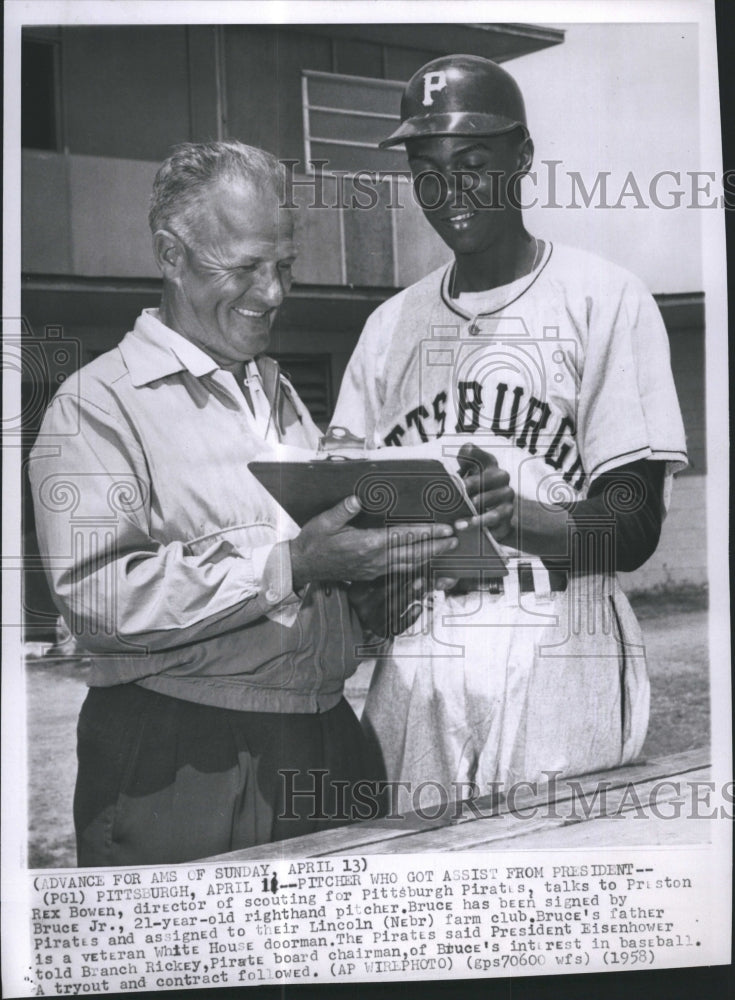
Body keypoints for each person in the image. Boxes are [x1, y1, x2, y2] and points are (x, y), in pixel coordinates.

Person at [28, 140, 457, 865]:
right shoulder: (97, 405)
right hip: (183, 756)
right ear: (171, 255)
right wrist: (290, 562)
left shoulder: (280, 396)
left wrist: (387, 573)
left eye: (284, 265)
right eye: (245, 268)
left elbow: (309, 589)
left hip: (326, 739)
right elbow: (98, 602)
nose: (273, 293)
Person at [331, 55, 688, 807]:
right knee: (416, 890)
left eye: (471, 162)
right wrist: (371, 586)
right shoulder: (386, 328)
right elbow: (342, 507)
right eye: (426, 169)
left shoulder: (603, 298)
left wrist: (523, 519)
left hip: (557, 631)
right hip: (421, 646)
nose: (446, 191)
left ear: (522, 156)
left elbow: (634, 526)